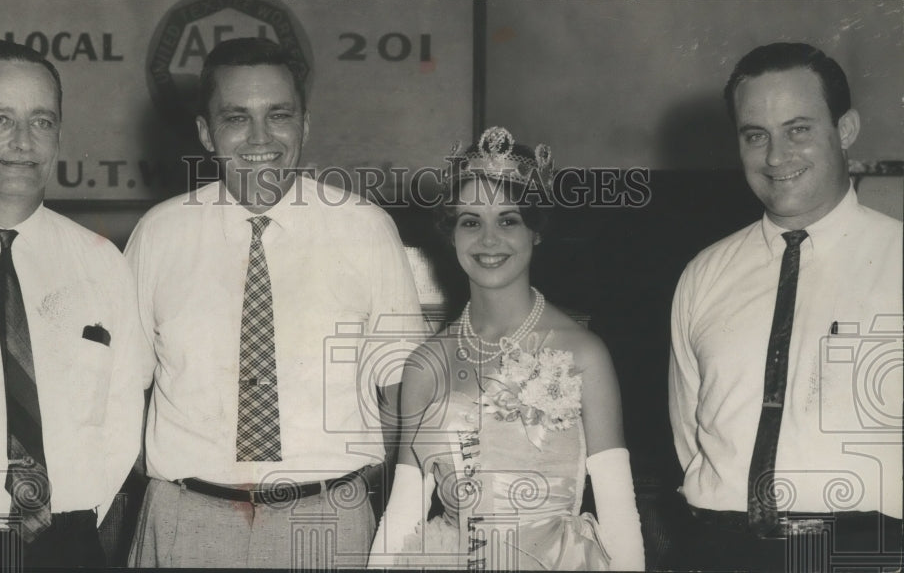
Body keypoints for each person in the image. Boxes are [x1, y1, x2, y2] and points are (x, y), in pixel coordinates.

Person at [125, 37, 424, 568]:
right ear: (205, 132)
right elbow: (119, 388)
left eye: (279, 115)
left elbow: (404, 398)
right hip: (186, 522)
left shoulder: (366, 229)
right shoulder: (158, 235)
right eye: (236, 117)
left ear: (305, 124)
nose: (260, 138)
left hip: (328, 522)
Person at [0, 39, 151, 568]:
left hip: (70, 544)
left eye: (41, 121)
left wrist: (78, 517)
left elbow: (124, 412)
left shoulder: (102, 261)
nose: (22, 142)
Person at [669, 42, 903, 571]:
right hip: (719, 550)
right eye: (756, 136)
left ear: (845, 131)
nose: (776, 157)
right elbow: (692, 438)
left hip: (868, 555)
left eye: (798, 129)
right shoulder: (704, 273)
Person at [368, 127, 645, 570]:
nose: (489, 240)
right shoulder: (426, 364)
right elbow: (403, 512)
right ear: (452, 234)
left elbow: (619, 515)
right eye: (471, 221)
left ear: (536, 231)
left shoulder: (584, 354)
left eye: (509, 219)